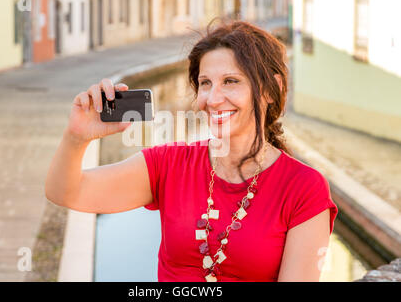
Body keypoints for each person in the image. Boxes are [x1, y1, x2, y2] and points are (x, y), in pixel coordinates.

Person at [45, 20, 338, 282]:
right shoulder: (169, 164)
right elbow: (66, 192)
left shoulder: (304, 189)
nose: (213, 98)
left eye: (231, 81)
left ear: (269, 90)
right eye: (205, 83)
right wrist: (76, 138)